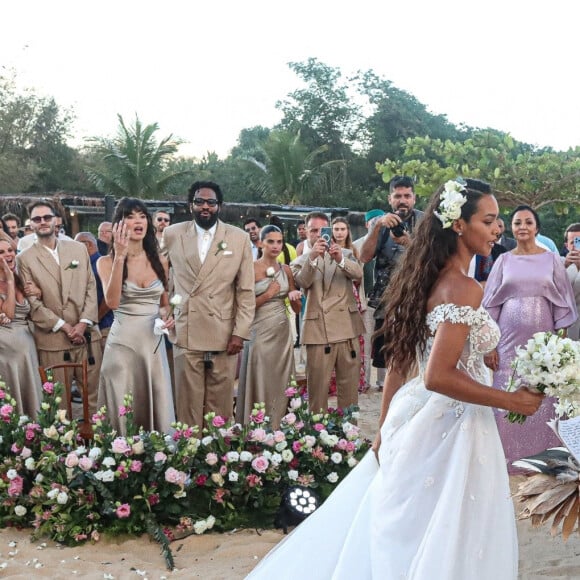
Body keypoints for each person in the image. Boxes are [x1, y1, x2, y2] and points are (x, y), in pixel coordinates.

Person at [249, 178, 543, 580]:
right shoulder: (464, 288)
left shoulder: (421, 277)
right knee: (450, 529)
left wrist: (386, 426)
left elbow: (401, 363)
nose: (498, 230)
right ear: (459, 225)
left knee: (415, 527)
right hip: (453, 425)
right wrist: (513, 401)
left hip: (415, 411)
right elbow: (439, 375)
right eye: (489, 221)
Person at [483, 205, 577, 470]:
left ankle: (542, 455)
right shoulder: (503, 261)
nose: (522, 227)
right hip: (507, 338)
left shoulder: (551, 260)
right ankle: (505, 456)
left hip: (543, 339)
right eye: (517, 222)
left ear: (537, 227)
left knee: (543, 391)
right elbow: (490, 303)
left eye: (527, 222)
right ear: (510, 227)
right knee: (506, 388)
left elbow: (562, 302)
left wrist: (560, 345)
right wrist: (489, 343)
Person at [163, 180, 255, 429]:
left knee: (220, 406)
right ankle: (188, 458)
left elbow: (245, 290)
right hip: (186, 329)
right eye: (199, 201)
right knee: (187, 405)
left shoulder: (239, 238)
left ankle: (218, 460)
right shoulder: (172, 234)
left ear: (219, 206)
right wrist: (167, 313)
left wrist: (240, 331)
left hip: (224, 333)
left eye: (211, 202)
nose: (205, 206)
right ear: (190, 205)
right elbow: (159, 278)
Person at [97, 198, 175, 435]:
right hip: (122, 345)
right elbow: (112, 302)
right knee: (123, 405)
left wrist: (168, 317)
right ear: (119, 224)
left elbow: (164, 304)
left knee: (155, 403)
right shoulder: (106, 262)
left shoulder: (160, 259)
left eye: (142, 215)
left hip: (152, 345)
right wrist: (120, 256)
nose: (138, 221)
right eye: (130, 216)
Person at [16, 201, 102, 415]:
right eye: (37, 219)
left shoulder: (78, 248)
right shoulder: (23, 259)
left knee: (96, 402)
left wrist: (83, 323)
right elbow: (32, 303)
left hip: (87, 339)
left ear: (56, 220)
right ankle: (64, 449)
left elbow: (91, 286)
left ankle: (100, 446)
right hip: (53, 341)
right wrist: (64, 327)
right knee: (59, 406)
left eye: (47, 217)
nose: (43, 222)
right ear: (31, 224)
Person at [291, 212, 364, 413]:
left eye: (322, 230)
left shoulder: (345, 254)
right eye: (314, 230)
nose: (318, 235)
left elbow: (358, 274)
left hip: (346, 328)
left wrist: (340, 258)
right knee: (317, 391)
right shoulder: (300, 261)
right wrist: (313, 257)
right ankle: (316, 436)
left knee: (349, 391)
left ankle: (348, 437)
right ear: (305, 232)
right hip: (317, 330)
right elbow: (302, 282)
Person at [360, 175, 424, 389]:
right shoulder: (381, 224)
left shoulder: (426, 222)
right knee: (391, 365)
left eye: (407, 196)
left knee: (418, 362)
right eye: (398, 196)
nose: (402, 200)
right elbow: (364, 256)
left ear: (414, 198)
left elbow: (434, 259)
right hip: (386, 305)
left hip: (419, 302)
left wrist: (408, 242)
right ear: (390, 199)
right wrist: (378, 227)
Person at [236, 225, 302, 426]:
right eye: (271, 241)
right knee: (260, 376)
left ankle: (280, 423)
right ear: (261, 243)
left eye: (279, 242)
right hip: (258, 332)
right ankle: (256, 425)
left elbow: (297, 309)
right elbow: (242, 306)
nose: (275, 246)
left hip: (282, 333)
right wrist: (267, 295)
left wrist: (295, 298)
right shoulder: (250, 268)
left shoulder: (287, 270)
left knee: (281, 380)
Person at [0, 236, 43, 417]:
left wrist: (38, 292)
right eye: (1, 252)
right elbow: (9, 313)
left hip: (27, 347)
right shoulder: (11, 281)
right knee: (12, 394)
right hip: (5, 351)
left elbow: (32, 306)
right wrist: (9, 282)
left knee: (31, 393)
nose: (8, 255)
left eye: (10, 250)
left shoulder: (20, 278)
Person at [329, 216, 366, 394]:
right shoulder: (324, 248)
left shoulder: (353, 250)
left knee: (353, 340)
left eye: (342, 229)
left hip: (352, 295)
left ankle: (355, 381)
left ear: (348, 231)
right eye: (336, 229)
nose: (339, 232)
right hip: (331, 300)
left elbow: (359, 276)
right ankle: (332, 383)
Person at [353, 209, 385, 390]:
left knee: (384, 343)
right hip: (366, 300)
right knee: (364, 343)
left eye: (380, 220)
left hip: (385, 301)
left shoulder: (390, 242)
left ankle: (383, 382)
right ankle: (363, 382)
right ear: (367, 224)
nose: (376, 223)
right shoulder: (357, 246)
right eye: (373, 221)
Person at [74, 232, 114, 349]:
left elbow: (109, 299)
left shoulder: (101, 264)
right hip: (90, 326)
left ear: (88, 245)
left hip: (103, 328)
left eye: (76, 245)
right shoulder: (83, 265)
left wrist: (95, 319)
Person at [562, 222, 580, 340]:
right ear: (566, 245)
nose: (575, 246)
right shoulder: (558, 263)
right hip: (564, 326)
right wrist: (564, 265)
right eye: (572, 242)